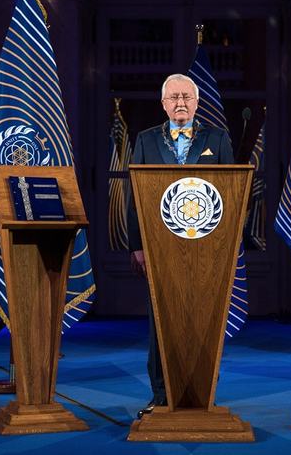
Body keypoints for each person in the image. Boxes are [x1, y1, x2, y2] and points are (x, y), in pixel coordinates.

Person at [127, 73, 234, 419]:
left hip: (208, 252)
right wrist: (137, 245)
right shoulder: (145, 140)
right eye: (173, 97)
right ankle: (161, 396)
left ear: (198, 102)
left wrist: (228, 245)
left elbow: (233, 195)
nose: (180, 103)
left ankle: (206, 394)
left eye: (187, 97)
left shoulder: (217, 140)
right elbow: (135, 200)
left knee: (206, 319)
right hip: (159, 250)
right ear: (163, 104)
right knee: (161, 322)